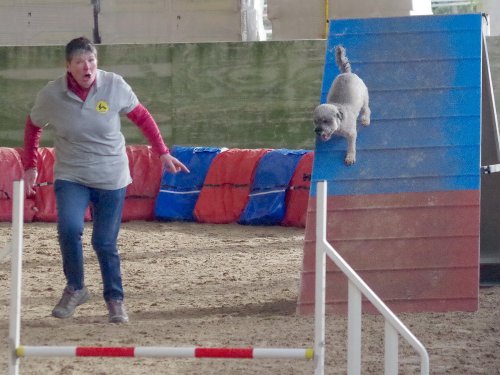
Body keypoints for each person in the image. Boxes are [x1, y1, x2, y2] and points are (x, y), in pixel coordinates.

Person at [22, 36, 189, 324]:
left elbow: (142, 117)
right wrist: (30, 166)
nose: (87, 67)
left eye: (92, 61)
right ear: (69, 66)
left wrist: (161, 152)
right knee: (69, 228)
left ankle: (115, 299)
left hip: (111, 175)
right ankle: (75, 287)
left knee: (104, 242)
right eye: (80, 62)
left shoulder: (114, 85)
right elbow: (33, 126)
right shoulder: (51, 95)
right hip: (71, 173)